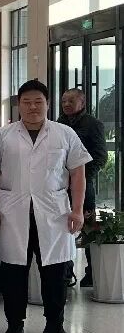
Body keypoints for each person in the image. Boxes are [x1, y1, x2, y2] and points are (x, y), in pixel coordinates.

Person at [0, 80, 91, 333]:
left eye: (38, 102)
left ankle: (55, 325)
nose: (32, 107)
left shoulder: (65, 134)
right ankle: (14, 325)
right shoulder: (2, 136)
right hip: (12, 213)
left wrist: (77, 210)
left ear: (47, 103)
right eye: (26, 102)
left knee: (55, 271)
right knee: (14, 270)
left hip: (54, 213)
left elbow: (78, 173)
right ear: (18, 105)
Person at [58, 87, 107, 287]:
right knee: (63, 228)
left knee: (87, 231)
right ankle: (65, 273)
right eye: (64, 101)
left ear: (82, 102)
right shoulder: (58, 124)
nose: (66, 104)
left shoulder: (93, 124)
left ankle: (92, 274)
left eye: (71, 101)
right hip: (60, 187)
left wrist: (81, 177)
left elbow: (101, 156)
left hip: (85, 187)